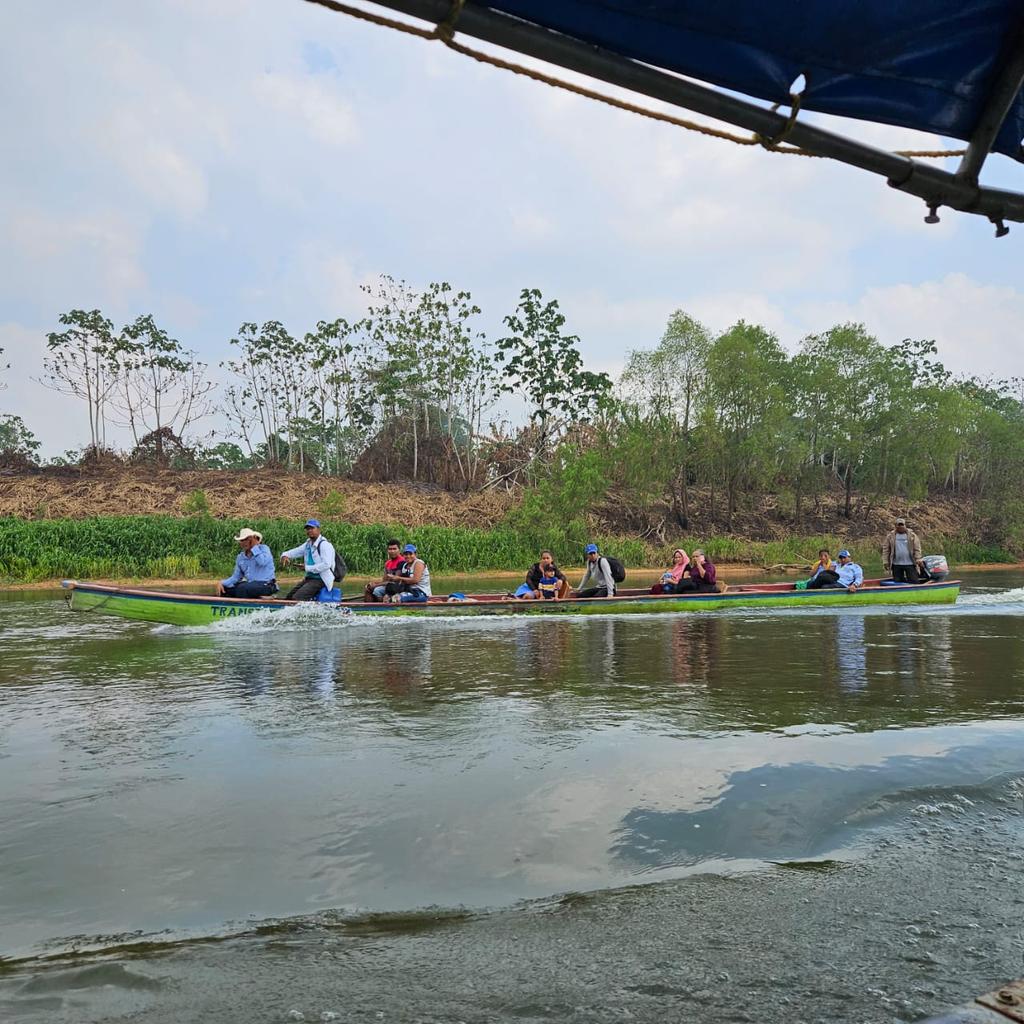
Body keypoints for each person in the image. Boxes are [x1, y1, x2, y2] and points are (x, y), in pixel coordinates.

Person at [280, 519, 338, 601]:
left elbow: (326, 564)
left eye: (312, 528)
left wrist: (307, 568)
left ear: (318, 529)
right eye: (307, 529)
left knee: (297, 598)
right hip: (310, 578)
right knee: (289, 598)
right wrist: (285, 555)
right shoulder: (308, 544)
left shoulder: (325, 545)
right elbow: (296, 551)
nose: (309, 531)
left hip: (321, 580)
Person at [217, 528, 277, 598]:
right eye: (242, 540)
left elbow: (262, 562)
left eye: (247, 540)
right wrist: (222, 583)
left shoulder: (264, 549)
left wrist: (254, 547)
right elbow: (236, 577)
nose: (244, 542)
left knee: (243, 588)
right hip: (250, 586)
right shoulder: (241, 557)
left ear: (253, 541)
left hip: (267, 585)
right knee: (225, 589)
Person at [883, 517, 924, 584]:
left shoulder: (912, 536)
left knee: (914, 581)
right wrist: (885, 562)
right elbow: (886, 550)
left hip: (910, 563)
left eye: (902, 525)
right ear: (896, 526)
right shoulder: (890, 536)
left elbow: (917, 548)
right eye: (899, 525)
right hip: (896, 564)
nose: (900, 526)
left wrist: (918, 558)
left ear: (905, 525)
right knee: (898, 582)